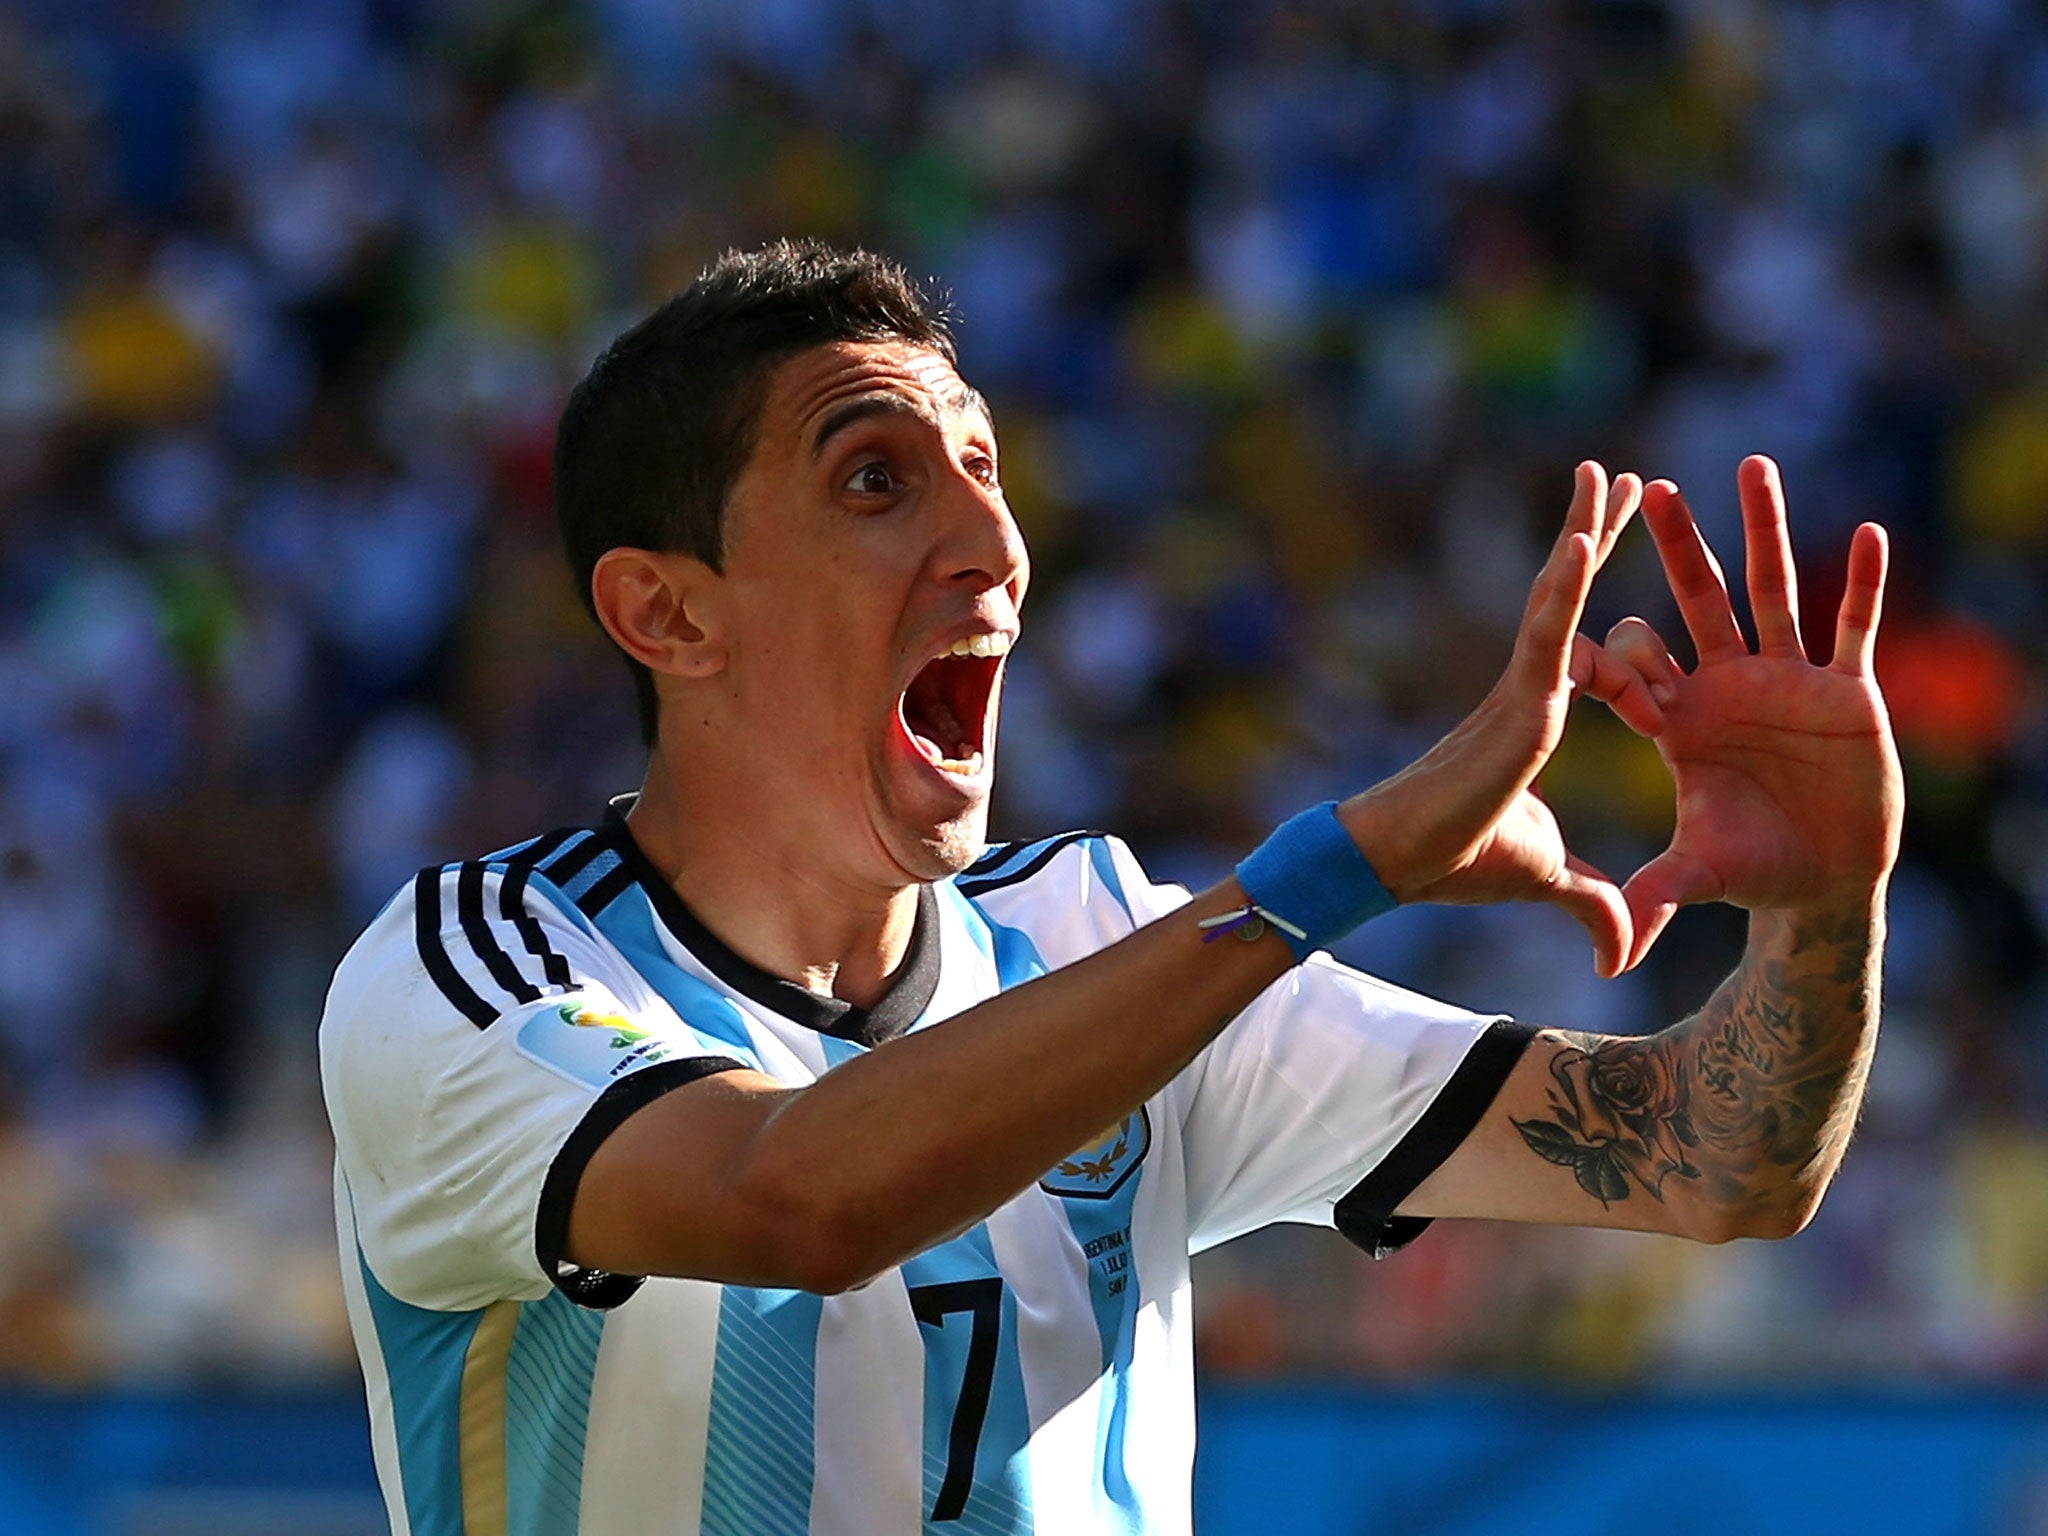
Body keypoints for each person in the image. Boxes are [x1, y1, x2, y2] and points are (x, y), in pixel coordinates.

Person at [319, 240, 1902, 1536]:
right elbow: (787, 1198)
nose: (996, 540)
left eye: (986, 471)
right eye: (876, 481)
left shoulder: (1106, 946)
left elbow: (1717, 1157)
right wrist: (1330, 877)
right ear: (667, 614)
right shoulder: (476, 973)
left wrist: (1824, 900)